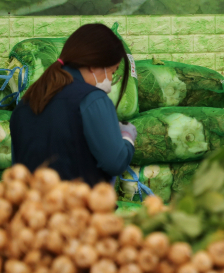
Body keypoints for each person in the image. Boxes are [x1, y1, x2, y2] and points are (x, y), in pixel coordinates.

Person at [11, 23, 137, 186]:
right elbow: (115, 162)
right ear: (94, 65)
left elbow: (17, 170)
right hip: (77, 208)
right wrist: (127, 137)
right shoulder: (93, 100)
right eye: (113, 72)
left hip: (33, 208)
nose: (111, 80)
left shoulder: (25, 104)